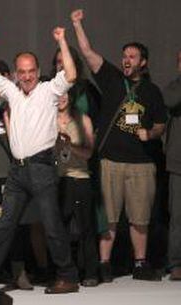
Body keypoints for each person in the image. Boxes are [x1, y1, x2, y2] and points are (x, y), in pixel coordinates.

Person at [0, 23, 79, 294]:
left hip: (41, 167)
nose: (26, 77)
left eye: (31, 72)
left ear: (38, 72)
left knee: (50, 225)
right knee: (5, 225)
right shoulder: (12, 92)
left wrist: (61, 40)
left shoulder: (49, 90)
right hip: (18, 171)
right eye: (22, 72)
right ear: (16, 73)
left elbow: (70, 73)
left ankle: (68, 276)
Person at [71, 9, 167, 282]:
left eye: (132, 57)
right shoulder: (112, 78)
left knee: (140, 218)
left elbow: (161, 123)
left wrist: (151, 133)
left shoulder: (152, 91)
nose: (126, 60)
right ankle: (104, 264)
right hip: (110, 160)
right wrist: (77, 24)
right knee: (109, 218)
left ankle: (139, 264)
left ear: (143, 62)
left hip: (141, 163)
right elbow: (87, 52)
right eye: (124, 56)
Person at [56, 93, 98, 286]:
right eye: (58, 94)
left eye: (65, 93)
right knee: (60, 229)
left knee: (85, 227)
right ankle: (66, 273)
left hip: (80, 178)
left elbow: (89, 152)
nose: (61, 97)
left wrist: (69, 145)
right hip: (58, 180)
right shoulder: (48, 119)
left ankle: (90, 273)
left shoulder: (83, 120)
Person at [163, 50, 181, 281]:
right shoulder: (174, 87)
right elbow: (170, 101)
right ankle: (176, 263)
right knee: (178, 217)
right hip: (179, 162)